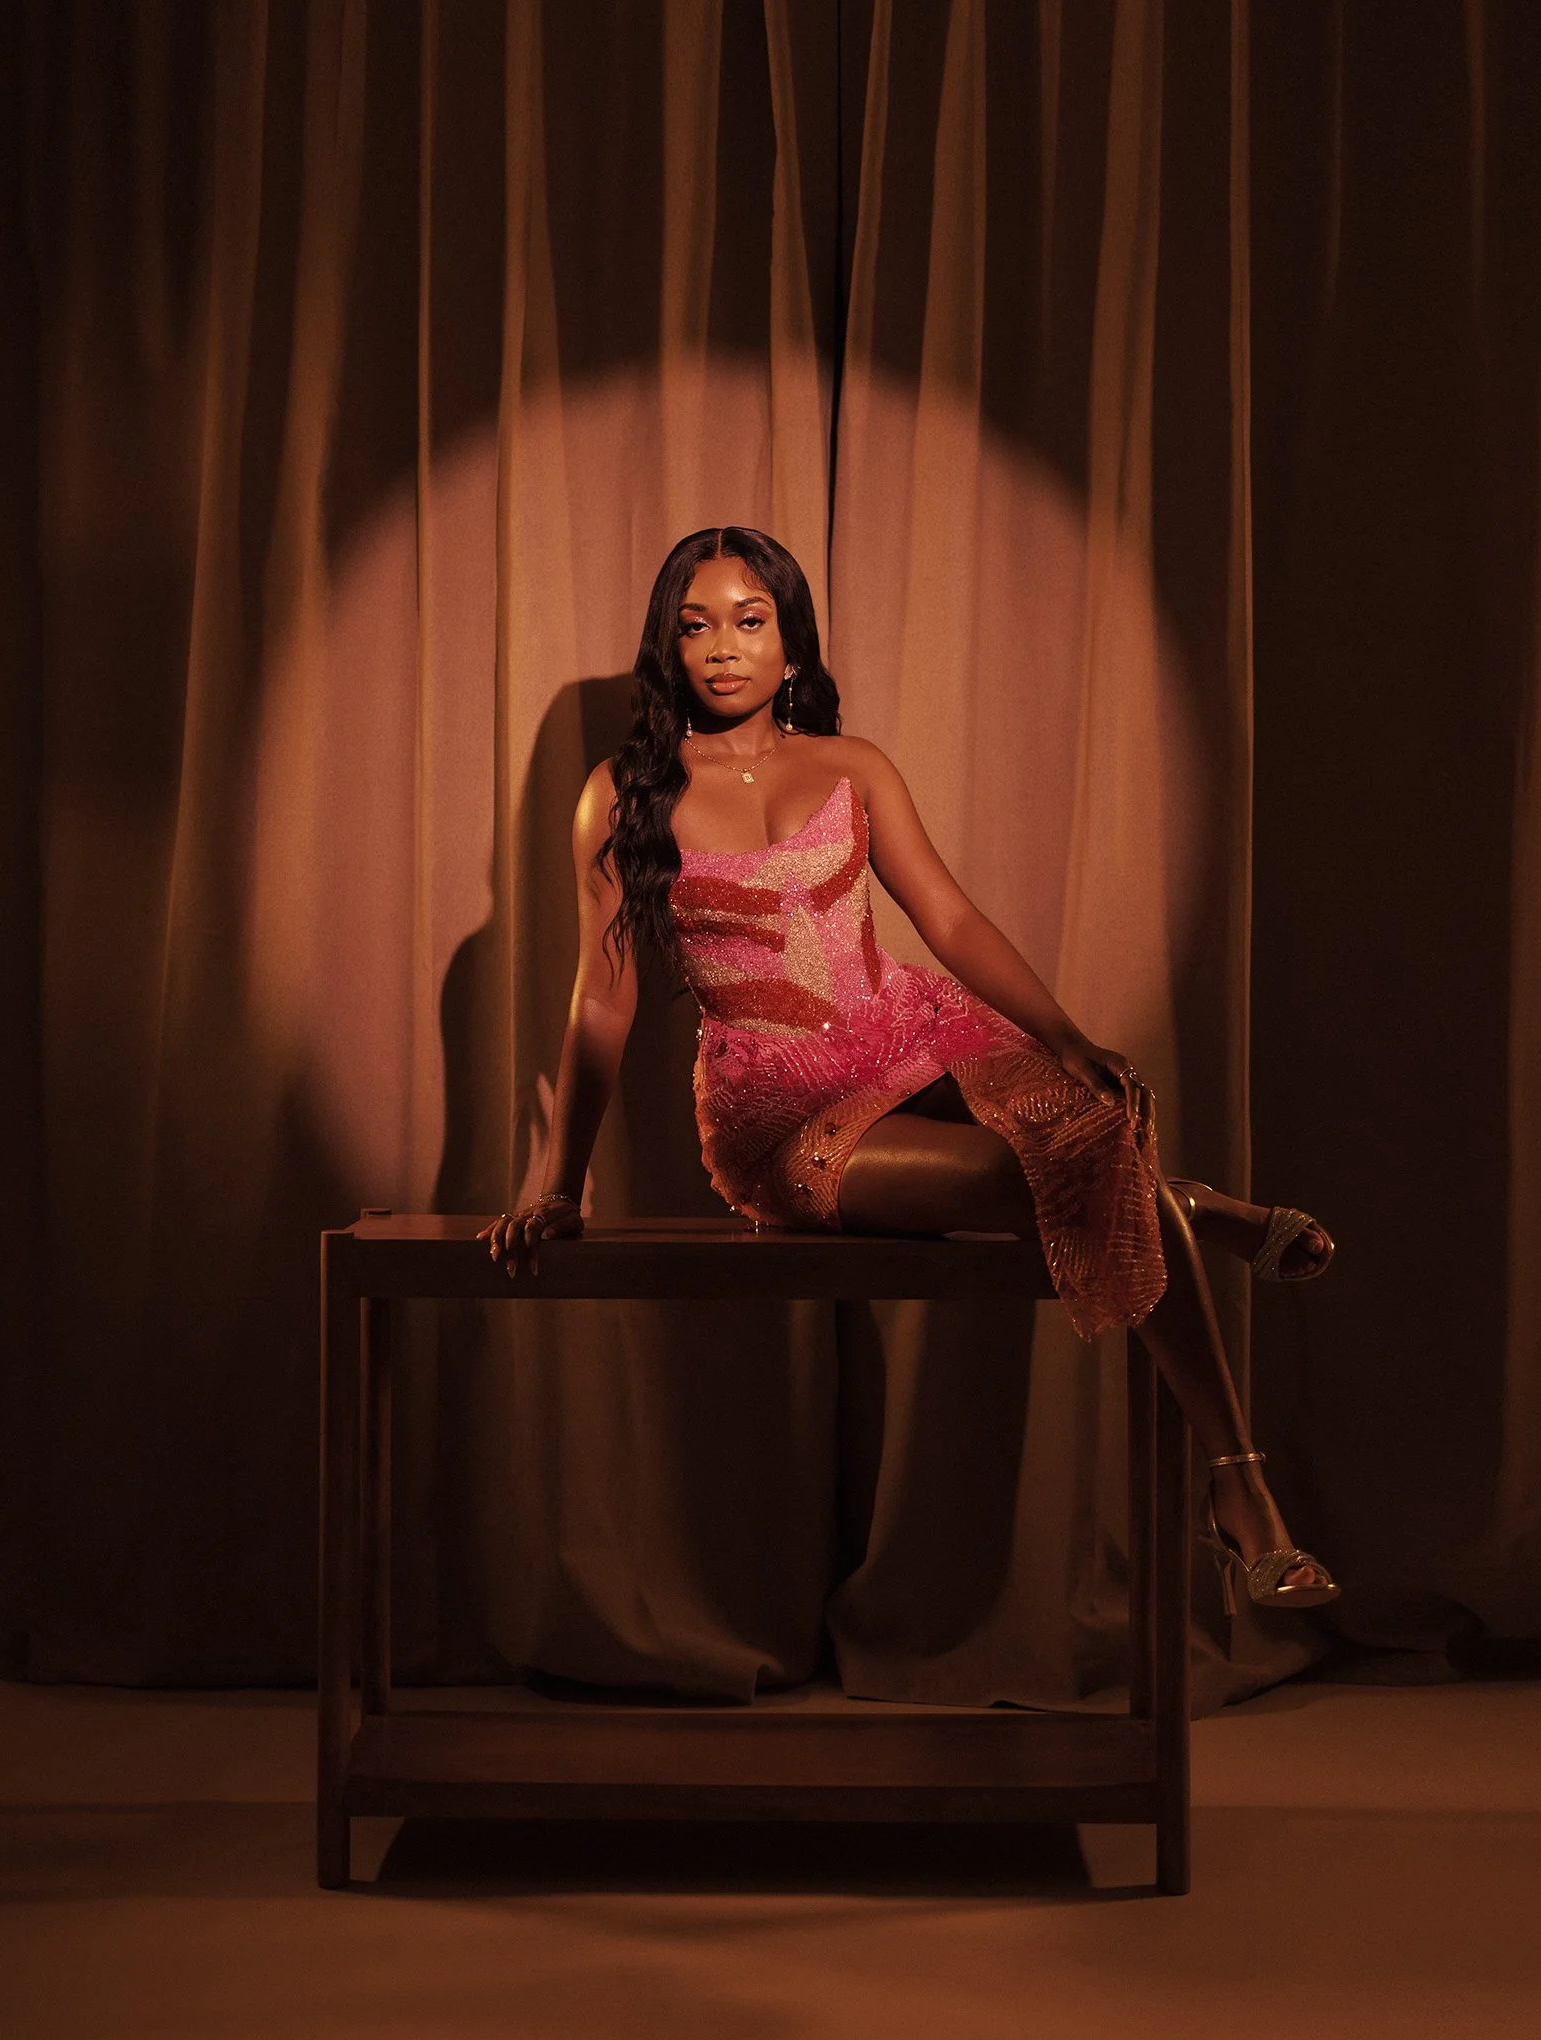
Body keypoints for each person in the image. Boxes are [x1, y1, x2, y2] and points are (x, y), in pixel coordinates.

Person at [483, 526, 1337, 1612]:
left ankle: (1236, 1476)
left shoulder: (853, 765)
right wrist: (559, 1183)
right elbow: (602, 996)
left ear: (792, 642)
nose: (724, 647)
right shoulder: (620, 794)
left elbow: (949, 918)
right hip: (779, 1113)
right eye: (696, 626)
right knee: (1057, 1175)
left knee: (1097, 1138)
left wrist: (1065, 1034)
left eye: (750, 620)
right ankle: (1199, 1238)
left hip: (912, 1035)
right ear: (669, 646)